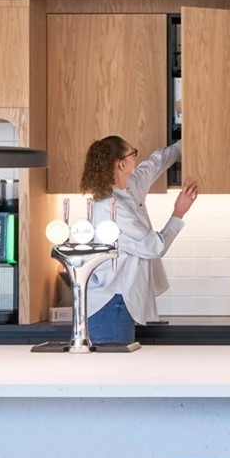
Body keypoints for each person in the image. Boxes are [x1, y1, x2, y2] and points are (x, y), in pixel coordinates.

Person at [78, 136, 199, 344]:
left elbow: (156, 162)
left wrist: (189, 138)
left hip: (120, 301)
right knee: (114, 372)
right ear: (122, 163)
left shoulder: (130, 186)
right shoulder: (110, 208)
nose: (137, 156)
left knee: (121, 371)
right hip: (111, 304)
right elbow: (154, 247)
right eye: (133, 153)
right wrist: (179, 212)